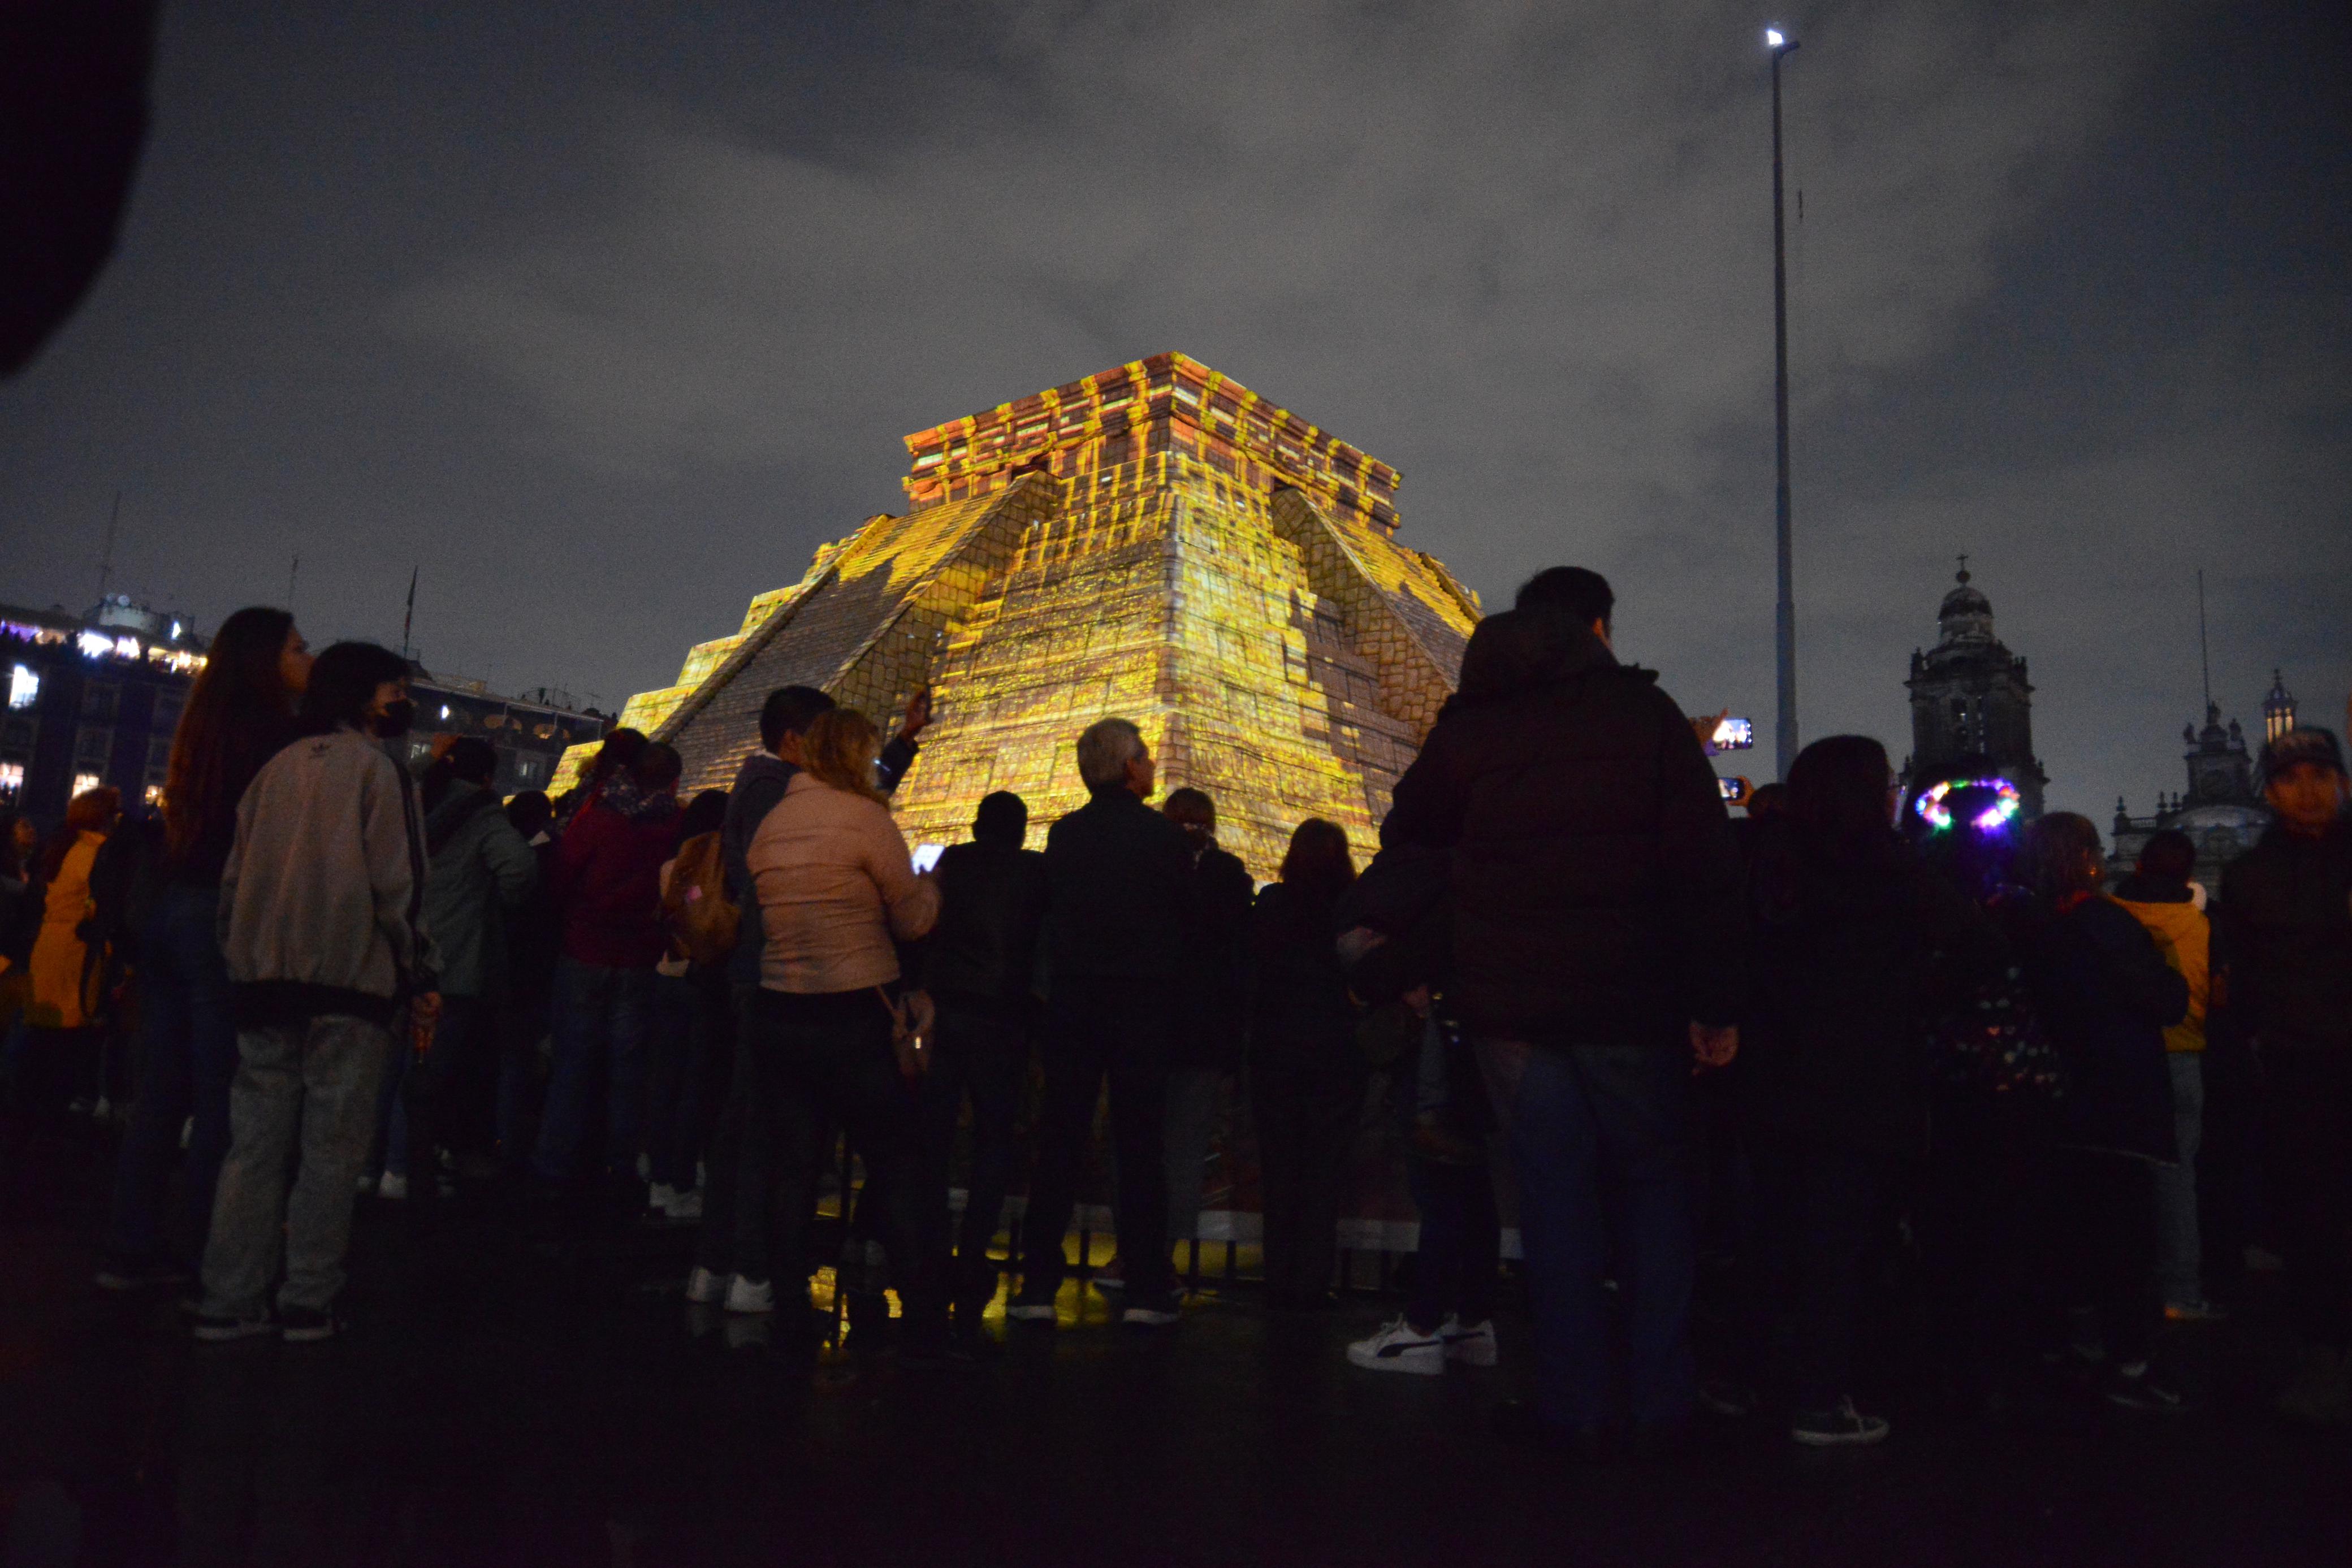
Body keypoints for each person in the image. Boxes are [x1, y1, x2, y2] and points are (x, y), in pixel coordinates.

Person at [1381, 566, 1745, 1454]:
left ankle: (1570, 1403)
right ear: (1597, 627)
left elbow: (1407, 826)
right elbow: (1703, 868)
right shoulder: (1643, 716)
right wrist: (1714, 1003)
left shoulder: (1476, 722)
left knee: (1554, 1203)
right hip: (1633, 1002)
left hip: (1511, 1007)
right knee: (1654, 1197)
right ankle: (1662, 1401)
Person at [1735, 735, 2004, 1445]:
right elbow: (1977, 947)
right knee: (1838, 1243)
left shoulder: (1766, 857)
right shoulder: (1891, 868)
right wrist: (1911, 994)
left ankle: (1741, 1376)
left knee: (1764, 1232)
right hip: (1860, 1075)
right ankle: (1820, 1396)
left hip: (1769, 1071)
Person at [193, 642, 437, 1342]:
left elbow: (233, 883)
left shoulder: (273, 771)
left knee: (254, 1147)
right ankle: (306, 1296)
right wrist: (421, 973)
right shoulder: (380, 772)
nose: (402, 702)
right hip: (349, 985)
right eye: (396, 689)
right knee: (332, 1149)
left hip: (264, 980)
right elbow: (401, 889)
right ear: (367, 697)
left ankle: (228, 1296)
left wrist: (242, 957)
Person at [689, 683, 925, 1302]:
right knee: (764, 1141)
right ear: (797, 741)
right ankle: (748, 1268)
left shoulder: (775, 797)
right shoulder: (782, 797)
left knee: (763, 1137)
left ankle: (727, 1271)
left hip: (776, 989)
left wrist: (903, 742)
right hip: (804, 988)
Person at [97, 608, 309, 1288]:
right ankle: (202, 1253)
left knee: (159, 1094)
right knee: (225, 1096)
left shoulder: (204, 725)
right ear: (266, 660)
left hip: (167, 906)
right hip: (220, 912)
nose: (309, 659)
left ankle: (129, 1250)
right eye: (298, 648)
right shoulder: (279, 737)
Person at [1008, 717, 1194, 1329]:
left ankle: (1036, 1282)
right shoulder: (1163, 838)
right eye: (1144, 754)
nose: (1151, 762)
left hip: (1073, 1003)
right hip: (1142, 1005)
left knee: (1059, 1138)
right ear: (1127, 767)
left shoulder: (1064, 835)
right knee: (1139, 1144)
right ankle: (1145, 1284)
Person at [2016, 812, 2188, 1413]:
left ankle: (2071, 1348)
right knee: (2122, 1240)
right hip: (2116, 1099)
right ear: (2088, 857)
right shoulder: (2105, 922)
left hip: (2048, 1101)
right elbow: (2163, 998)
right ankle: (2128, 1360)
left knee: (2063, 1236)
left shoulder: (2021, 921)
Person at [2217, 726, 2352, 1424]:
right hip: (2300, 1065)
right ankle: (2326, 1352)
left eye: (2319, 775)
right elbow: (2235, 984)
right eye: (2291, 778)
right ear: (2269, 791)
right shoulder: (2247, 877)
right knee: (2315, 1219)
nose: (2307, 790)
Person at [1094, 786, 1253, 1293]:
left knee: (1134, 1148)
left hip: (1143, 1027)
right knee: (1182, 1154)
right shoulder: (1231, 878)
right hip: (1202, 1038)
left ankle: (1129, 1254)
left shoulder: (1140, 870)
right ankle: (1160, 1261)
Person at [908, 790, 1048, 1352]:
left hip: (947, 1011)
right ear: (1020, 831)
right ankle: (974, 1248)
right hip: (1003, 1018)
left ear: (974, 824)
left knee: (935, 1133)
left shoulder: (948, 862)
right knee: (995, 1135)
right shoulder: (1035, 873)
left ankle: (931, 1244)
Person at [533, 742, 682, 1202]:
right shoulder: (675, 827)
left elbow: (562, 874)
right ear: (675, 781)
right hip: (639, 957)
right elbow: (684, 890)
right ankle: (619, 1166)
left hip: (584, 951)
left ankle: (555, 1166)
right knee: (628, 1071)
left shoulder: (599, 816)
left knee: (573, 1065)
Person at [410, 735, 538, 1188]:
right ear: (487, 777)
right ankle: (418, 1166)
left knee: (397, 1069)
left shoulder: (415, 803)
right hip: (455, 961)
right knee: (439, 1073)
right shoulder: (483, 815)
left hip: (402, 953)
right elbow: (519, 868)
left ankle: (382, 1163)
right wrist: (495, 907)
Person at [1250, 818, 1364, 1309]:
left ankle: (1279, 1275)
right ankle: (1313, 1280)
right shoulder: (1349, 910)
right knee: (1323, 1172)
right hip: (1335, 1053)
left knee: (1280, 1170)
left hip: (1276, 1052)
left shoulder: (1273, 903)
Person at [2111, 828, 2220, 1322]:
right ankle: (2182, 1291)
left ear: (2137, 867)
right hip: (2183, 1055)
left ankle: (2123, 1289)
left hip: (2127, 1058)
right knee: (2178, 1179)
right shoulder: (2202, 922)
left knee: (2121, 1175)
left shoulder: (2116, 916)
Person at [645, 786, 730, 1220]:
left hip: (667, 976)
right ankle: (678, 1180)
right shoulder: (713, 871)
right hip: (698, 982)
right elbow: (700, 910)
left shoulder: (669, 867)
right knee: (694, 1088)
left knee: (666, 1083)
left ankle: (660, 1177)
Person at [20, 785, 120, 1114]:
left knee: (42, 1031)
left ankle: (28, 1112)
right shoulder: (98, 853)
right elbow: (101, 904)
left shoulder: (60, 848)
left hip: (48, 944)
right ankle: (55, 1115)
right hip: (77, 950)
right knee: (71, 1034)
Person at [497, 789, 560, 1170]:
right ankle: (517, 1142)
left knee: (509, 1059)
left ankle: (504, 1138)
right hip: (538, 970)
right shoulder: (549, 856)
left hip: (506, 967)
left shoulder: (507, 856)